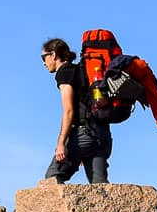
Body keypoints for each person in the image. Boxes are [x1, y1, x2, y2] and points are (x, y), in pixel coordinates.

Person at [41, 38, 112, 183]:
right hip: (102, 135)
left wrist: (61, 143)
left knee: (52, 178)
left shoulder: (64, 73)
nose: (43, 62)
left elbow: (68, 110)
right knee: (100, 187)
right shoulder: (82, 72)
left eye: (44, 57)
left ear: (53, 55)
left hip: (82, 134)